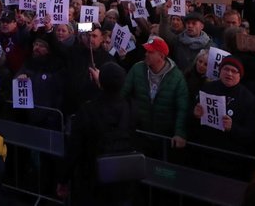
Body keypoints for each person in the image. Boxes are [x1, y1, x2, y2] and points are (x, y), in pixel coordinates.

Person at [57, 62, 138, 205]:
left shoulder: (88, 110)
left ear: (100, 82)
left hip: (92, 180)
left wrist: (64, 179)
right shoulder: (130, 108)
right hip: (122, 180)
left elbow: (74, 149)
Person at [121, 35, 188, 156]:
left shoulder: (177, 77)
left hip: (165, 137)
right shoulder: (137, 69)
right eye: (146, 51)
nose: (146, 54)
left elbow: (182, 108)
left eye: (150, 52)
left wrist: (179, 133)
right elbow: (123, 94)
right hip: (140, 131)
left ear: (161, 56)